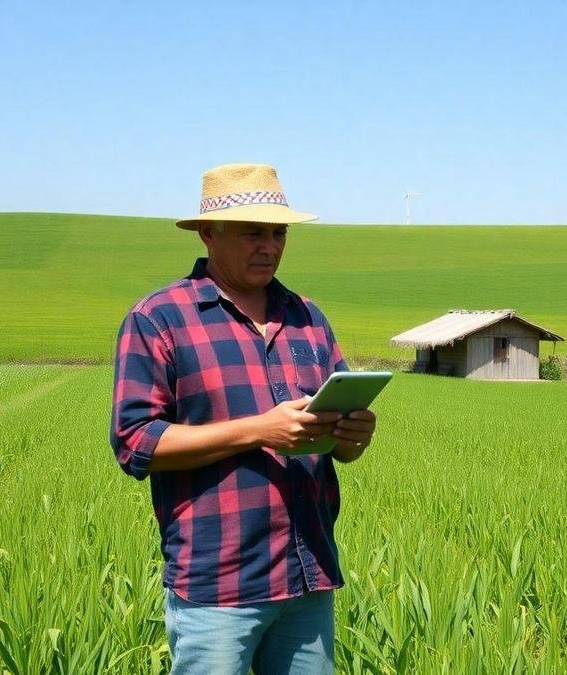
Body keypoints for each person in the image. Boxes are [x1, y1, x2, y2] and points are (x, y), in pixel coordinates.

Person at [110, 163, 377, 674]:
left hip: (308, 572)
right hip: (219, 584)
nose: (270, 246)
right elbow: (134, 442)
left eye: (278, 233)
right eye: (253, 232)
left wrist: (353, 435)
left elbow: (341, 445)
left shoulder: (308, 317)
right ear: (210, 234)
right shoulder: (159, 319)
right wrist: (260, 429)